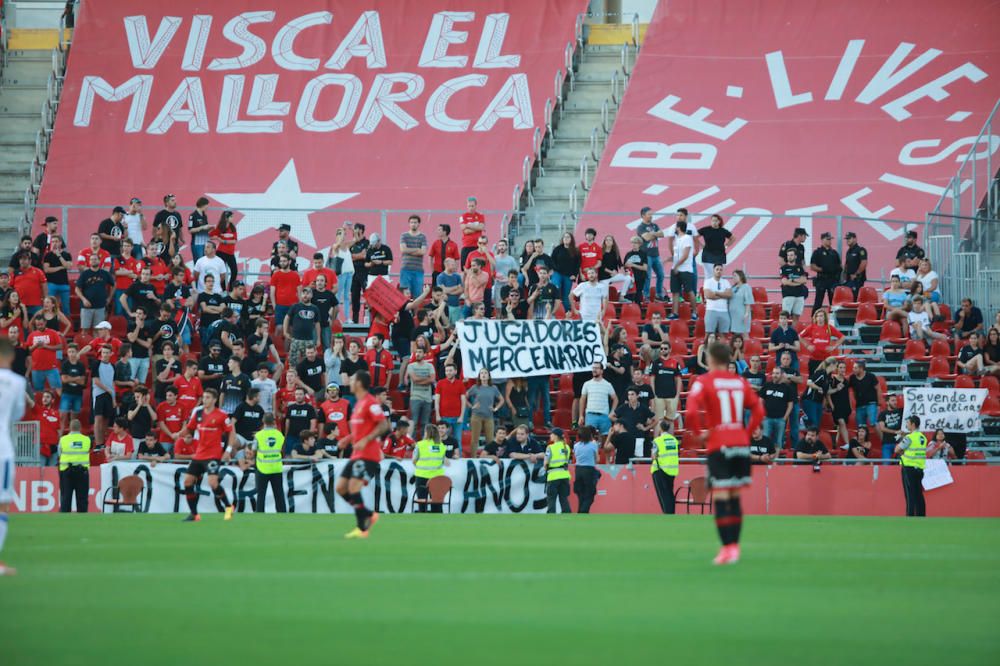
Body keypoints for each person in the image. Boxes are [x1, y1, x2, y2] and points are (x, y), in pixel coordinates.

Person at [685, 342, 764, 564]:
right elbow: (759, 409)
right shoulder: (741, 382)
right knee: (735, 495)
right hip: (740, 443)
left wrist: (698, 433)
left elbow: (691, 411)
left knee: (720, 495)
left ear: (710, 360)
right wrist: (745, 433)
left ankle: (726, 548)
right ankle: (735, 548)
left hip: (719, 443)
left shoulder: (704, 381)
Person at [336, 371, 389, 539]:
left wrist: (367, 440)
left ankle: (362, 528)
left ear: (358, 383)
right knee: (340, 488)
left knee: (353, 488)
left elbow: (383, 425)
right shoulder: (358, 404)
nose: (349, 382)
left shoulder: (370, 402)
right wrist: (348, 439)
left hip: (369, 455)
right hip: (356, 454)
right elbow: (361, 429)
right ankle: (368, 514)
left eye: (352, 379)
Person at [178, 389, 235, 522]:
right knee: (187, 481)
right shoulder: (198, 413)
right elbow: (189, 428)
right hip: (199, 454)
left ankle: (228, 507)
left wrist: (228, 450)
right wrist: (179, 433)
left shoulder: (221, 415)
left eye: (208, 397)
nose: (205, 400)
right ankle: (194, 514)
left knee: (213, 483)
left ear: (214, 400)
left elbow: (231, 433)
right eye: (204, 397)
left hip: (213, 454)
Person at [0, 338, 27, 574]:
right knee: (2, 505)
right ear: (10, 357)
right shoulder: (17, 382)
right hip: (3, 449)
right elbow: (17, 414)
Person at [466, 368, 503, 457]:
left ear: (489, 376)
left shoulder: (493, 388)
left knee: (490, 439)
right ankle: (473, 458)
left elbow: (502, 400)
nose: (483, 375)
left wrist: (496, 408)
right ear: (479, 376)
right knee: (475, 439)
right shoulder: (475, 387)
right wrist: (471, 406)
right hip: (476, 416)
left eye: (485, 373)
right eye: (481, 373)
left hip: (489, 416)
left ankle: (489, 457)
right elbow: (464, 397)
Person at [895, 416, 927, 517]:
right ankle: (921, 516)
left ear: (913, 424)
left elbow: (897, 449)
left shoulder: (909, 438)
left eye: (908, 423)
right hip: (920, 468)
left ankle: (910, 516)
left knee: (909, 494)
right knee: (919, 494)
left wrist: (902, 440)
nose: (907, 425)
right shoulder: (923, 437)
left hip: (909, 468)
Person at [57, 418, 92, 513]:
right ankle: (82, 522)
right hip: (82, 472)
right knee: (82, 499)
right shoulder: (86, 439)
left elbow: (59, 453)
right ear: (80, 428)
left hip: (66, 471)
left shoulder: (63, 439)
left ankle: (64, 521)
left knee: (65, 498)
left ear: (69, 428)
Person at [412, 424, 448, 513]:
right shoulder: (441, 445)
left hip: (421, 476)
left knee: (422, 501)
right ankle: (438, 523)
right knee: (436, 502)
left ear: (426, 433)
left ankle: (423, 522)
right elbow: (443, 461)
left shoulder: (420, 444)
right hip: (437, 477)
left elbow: (414, 460)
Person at [667, 220, 695, 318]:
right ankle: (675, 313)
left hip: (685, 269)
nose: (674, 229)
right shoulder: (677, 239)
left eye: (675, 227)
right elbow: (676, 255)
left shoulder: (687, 238)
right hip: (676, 268)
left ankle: (694, 312)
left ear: (678, 228)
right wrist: (667, 261)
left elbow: (685, 255)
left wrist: (676, 266)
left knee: (689, 290)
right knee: (675, 291)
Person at [650, 420, 679, 514]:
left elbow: (653, 456)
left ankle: (667, 514)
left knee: (663, 494)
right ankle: (672, 513)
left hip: (660, 469)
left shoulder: (657, 440)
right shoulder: (674, 440)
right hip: (672, 470)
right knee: (670, 493)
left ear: (660, 428)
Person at [808, 232, 841, 313]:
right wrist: (823, 269)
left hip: (833, 280)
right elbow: (812, 266)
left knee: (833, 302)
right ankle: (814, 320)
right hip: (822, 279)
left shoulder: (834, 253)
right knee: (818, 302)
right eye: (828, 239)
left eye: (830, 239)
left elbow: (840, 266)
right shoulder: (817, 252)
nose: (830, 241)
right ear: (822, 240)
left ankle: (833, 321)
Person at [761, 367, 793, 450]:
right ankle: (765, 460)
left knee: (779, 442)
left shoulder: (787, 388)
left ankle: (778, 461)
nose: (775, 375)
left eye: (777, 373)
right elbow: (760, 401)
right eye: (774, 373)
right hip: (767, 418)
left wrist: (785, 418)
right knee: (765, 440)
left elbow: (790, 405)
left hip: (780, 419)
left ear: (781, 375)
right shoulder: (767, 385)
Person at [572, 426, 600, 514]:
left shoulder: (576, 445)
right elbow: (597, 459)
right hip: (589, 469)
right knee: (590, 493)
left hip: (578, 469)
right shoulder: (593, 445)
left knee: (581, 492)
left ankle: (581, 511)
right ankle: (583, 511)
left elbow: (576, 457)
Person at [543, 428, 572, 514]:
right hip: (565, 475)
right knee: (564, 498)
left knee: (551, 499)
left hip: (553, 476)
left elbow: (546, 463)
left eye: (551, 434)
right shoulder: (567, 447)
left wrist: (545, 468)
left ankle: (551, 517)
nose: (550, 436)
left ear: (555, 436)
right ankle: (567, 516)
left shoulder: (550, 447)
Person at [398, 214, 427, 297]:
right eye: (411, 222)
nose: (413, 224)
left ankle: (415, 311)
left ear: (418, 224)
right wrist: (417, 249)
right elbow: (403, 249)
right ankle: (405, 310)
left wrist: (408, 250)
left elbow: (423, 252)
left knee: (418, 295)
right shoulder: (404, 236)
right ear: (409, 224)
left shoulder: (422, 237)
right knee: (405, 295)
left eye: (415, 222)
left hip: (418, 270)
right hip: (406, 269)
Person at [779, 248, 809, 319]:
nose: (789, 257)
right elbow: (785, 282)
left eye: (791, 255)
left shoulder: (800, 268)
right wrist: (798, 282)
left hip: (799, 295)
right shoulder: (783, 268)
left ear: (795, 256)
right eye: (788, 255)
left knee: (796, 316)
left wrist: (792, 280)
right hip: (788, 295)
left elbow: (804, 280)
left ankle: (794, 330)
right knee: (785, 316)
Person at [703, 264, 732, 334]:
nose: (719, 271)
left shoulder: (726, 282)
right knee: (709, 334)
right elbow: (708, 295)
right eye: (717, 269)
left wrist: (716, 293)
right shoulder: (708, 281)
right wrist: (723, 295)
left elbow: (729, 294)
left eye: (721, 270)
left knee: (723, 335)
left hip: (724, 311)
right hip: (711, 310)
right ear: (713, 270)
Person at [842, 232, 868, 299]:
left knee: (856, 298)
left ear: (855, 239)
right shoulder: (848, 251)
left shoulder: (861, 250)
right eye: (846, 239)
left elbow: (864, 263)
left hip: (857, 279)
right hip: (849, 279)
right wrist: (844, 276)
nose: (847, 240)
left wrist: (856, 274)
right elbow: (846, 264)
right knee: (848, 298)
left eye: (849, 238)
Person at [728, 270, 753, 335]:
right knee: (736, 337)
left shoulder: (746, 287)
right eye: (733, 276)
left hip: (742, 315)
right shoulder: (733, 288)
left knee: (744, 335)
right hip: (733, 316)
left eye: (735, 276)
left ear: (741, 276)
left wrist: (746, 314)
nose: (733, 277)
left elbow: (748, 302)